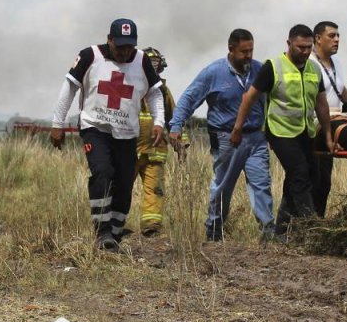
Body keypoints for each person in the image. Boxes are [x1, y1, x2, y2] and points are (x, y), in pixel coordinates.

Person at [51, 18, 165, 251]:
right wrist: (57, 123)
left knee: (124, 182)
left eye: (129, 47)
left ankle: (115, 231)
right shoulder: (90, 56)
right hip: (96, 128)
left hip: (126, 133)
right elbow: (70, 86)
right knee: (102, 172)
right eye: (120, 46)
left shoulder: (141, 60)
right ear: (109, 40)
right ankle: (102, 230)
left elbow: (154, 93)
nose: (124, 52)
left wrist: (159, 122)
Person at [169, 29, 274, 242]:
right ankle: (215, 229)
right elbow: (189, 99)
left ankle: (268, 233)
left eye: (251, 50)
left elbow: (270, 99)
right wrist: (176, 125)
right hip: (226, 139)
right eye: (244, 51)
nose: (248, 56)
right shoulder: (213, 73)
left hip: (255, 137)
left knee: (261, 183)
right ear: (231, 49)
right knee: (224, 185)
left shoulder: (259, 69)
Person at [231, 24, 333, 239]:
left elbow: (321, 104)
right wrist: (238, 128)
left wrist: (328, 135)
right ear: (289, 44)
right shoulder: (274, 66)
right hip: (280, 132)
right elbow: (249, 97)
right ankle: (310, 227)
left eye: (308, 47)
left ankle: (281, 232)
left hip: (305, 132)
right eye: (300, 47)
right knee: (300, 174)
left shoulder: (315, 69)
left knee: (307, 176)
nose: (305, 52)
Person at [134, 48, 185, 237]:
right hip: (129, 149)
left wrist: (181, 143)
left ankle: (151, 225)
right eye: (150, 63)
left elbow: (175, 118)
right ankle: (115, 222)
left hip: (156, 150)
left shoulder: (163, 91)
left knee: (154, 188)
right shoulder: (129, 85)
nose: (153, 67)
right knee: (121, 188)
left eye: (155, 63)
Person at [311, 20, 347, 216]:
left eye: (338, 36)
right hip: (318, 124)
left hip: (338, 119)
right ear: (318, 39)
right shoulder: (309, 63)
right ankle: (303, 227)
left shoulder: (337, 63)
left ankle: (316, 224)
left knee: (324, 182)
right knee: (312, 180)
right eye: (332, 35)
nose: (336, 39)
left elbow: (342, 91)